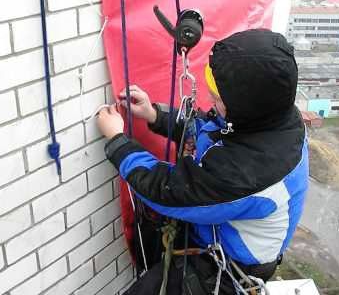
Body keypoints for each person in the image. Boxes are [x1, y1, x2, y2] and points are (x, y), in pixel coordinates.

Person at [96, 29, 309, 294]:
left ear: (244, 107)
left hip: (227, 272)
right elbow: (208, 128)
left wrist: (117, 140)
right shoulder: (272, 118)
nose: (212, 102)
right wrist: (154, 115)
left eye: (218, 99)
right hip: (216, 237)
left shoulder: (250, 173)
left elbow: (167, 191)